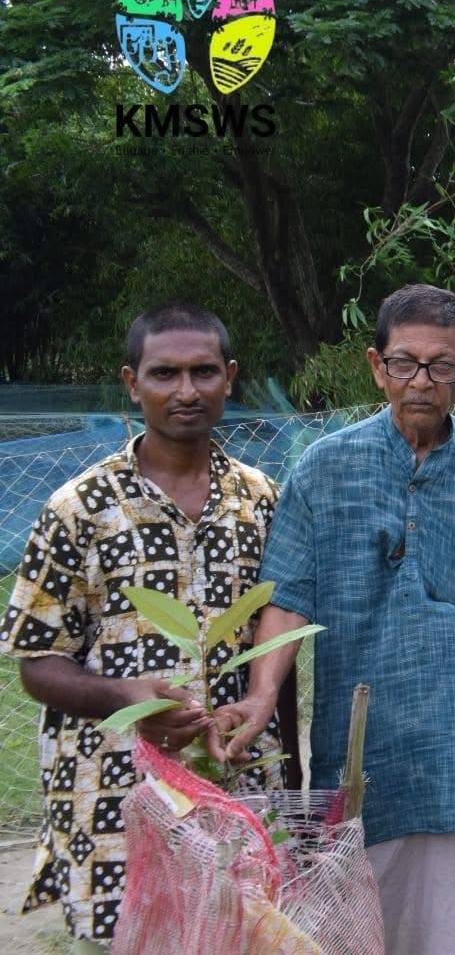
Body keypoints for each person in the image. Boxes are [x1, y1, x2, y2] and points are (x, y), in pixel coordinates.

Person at [212, 284, 455, 955]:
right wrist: (258, 698)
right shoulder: (323, 468)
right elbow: (288, 596)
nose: (421, 382)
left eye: (441, 366)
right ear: (377, 366)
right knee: (370, 927)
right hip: (375, 746)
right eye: (405, 363)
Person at [0, 303, 290, 952]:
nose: (185, 391)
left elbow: (276, 638)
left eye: (203, 372)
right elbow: (36, 662)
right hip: (114, 797)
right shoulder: (79, 509)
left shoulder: (261, 499)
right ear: (132, 383)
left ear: (230, 377)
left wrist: (284, 762)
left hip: (236, 786)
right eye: (165, 374)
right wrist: (126, 698)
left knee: (241, 937)